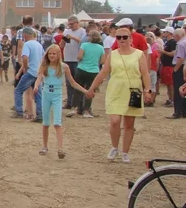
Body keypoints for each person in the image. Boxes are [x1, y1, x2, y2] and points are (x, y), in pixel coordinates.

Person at [86, 27, 153, 163]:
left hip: (133, 90)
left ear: (130, 39)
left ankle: (125, 152)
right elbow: (103, 73)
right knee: (115, 121)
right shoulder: (113, 54)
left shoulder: (139, 54)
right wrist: (92, 88)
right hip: (115, 89)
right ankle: (114, 147)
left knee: (129, 123)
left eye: (124, 37)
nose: (121, 40)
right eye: (118, 37)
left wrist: (148, 90)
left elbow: (145, 74)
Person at [34, 46, 87, 159]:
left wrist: (85, 91)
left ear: (59, 55)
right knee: (46, 122)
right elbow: (39, 78)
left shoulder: (64, 67)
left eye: (54, 53)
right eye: (50, 54)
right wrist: (36, 86)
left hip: (57, 95)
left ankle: (60, 149)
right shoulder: (44, 66)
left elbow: (72, 83)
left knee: (57, 122)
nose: (52, 56)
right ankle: (45, 146)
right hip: (46, 93)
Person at [71, 30, 105, 118]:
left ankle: (74, 108)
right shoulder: (101, 48)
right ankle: (86, 110)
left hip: (82, 69)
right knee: (90, 90)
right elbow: (102, 61)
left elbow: (79, 57)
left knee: (78, 89)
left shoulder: (84, 45)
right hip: (93, 71)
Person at [13, 28, 44, 120]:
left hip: (30, 72)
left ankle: (19, 111)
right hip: (38, 73)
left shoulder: (27, 44)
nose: (23, 37)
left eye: (23, 35)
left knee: (18, 90)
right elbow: (44, 57)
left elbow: (25, 58)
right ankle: (40, 114)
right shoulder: (39, 45)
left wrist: (25, 69)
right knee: (38, 94)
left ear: (26, 34)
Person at [61, 15, 87, 110]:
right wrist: (63, 40)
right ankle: (70, 102)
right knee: (68, 82)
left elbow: (83, 43)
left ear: (77, 23)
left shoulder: (82, 31)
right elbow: (62, 44)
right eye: (69, 24)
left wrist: (73, 37)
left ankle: (78, 103)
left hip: (77, 60)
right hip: (67, 58)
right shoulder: (66, 31)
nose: (70, 26)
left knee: (77, 82)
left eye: (72, 24)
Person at [169, 28, 186, 119]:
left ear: (177, 36)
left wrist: (175, 70)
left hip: (180, 68)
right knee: (184, 89)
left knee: (178, 90)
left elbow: (180, 58)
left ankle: (178, 112)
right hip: (185, 67)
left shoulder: (180, 44)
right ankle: (184, 111)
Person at [160, 26, 177, 108]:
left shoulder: (172, 42)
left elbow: (173, 53)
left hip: (170, 65)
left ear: (169, 33)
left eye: (165, 32)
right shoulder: (167, 42)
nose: (163, 33)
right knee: (167, 84)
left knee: (170, 84)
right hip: (166, 65)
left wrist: (162, 51)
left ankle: (173, 100)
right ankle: (170, 99)